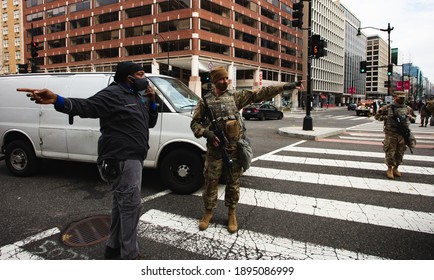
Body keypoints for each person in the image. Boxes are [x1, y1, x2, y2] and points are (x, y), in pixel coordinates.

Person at [17, 61, 158, 260]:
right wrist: (57, 99)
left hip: (134, 157)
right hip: (121, 158)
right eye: (141, 74)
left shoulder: (137, 96)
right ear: (129, 78)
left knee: (121, 205)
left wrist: (152, 101)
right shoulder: (112, 94)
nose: (145, 78)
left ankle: (113, 248)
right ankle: (130, 256)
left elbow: (150, 122)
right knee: (131, 207)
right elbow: (86, 106)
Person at [190, 66, 303, 234]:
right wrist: (208, 133)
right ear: (214, 81)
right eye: (221, 79)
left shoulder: (235, 96)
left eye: (226, 78)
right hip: (215, 151)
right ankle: (208, 213)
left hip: (234, 149)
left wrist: (288, 86)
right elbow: (194, 124)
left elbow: (260, 93)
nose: (224, 81)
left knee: (233, 183)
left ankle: (231, 214)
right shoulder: (205, 101)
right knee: (210, 182)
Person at [375, 91, 416, 180]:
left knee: (400, 152)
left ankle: (396, 168)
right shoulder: (388, 107)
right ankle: (390, 169)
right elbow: (377, 116)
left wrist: (410, 117)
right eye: (400, 97)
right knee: (390, 151)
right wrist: (387, 117)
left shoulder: (407, 108)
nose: (402, 99)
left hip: (402, 134)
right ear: (395, 97)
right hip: (391, 133)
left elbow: (414, 118)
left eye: (403, 98)